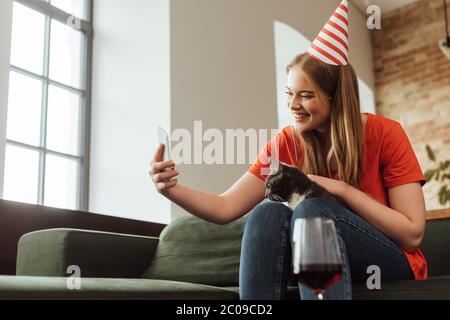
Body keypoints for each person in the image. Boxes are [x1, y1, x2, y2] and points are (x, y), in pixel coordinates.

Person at [149, 0, 428, 300]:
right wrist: (170, 189)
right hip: (319, 251)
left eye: (306, 96)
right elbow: (225, 207)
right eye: (290, 94)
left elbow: (412, 234)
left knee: (312, 210)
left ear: (337, 99)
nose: (293, 105)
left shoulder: (386, 133)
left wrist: (343, 190)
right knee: (265, 214)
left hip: (386, 259)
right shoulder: (285, 142)